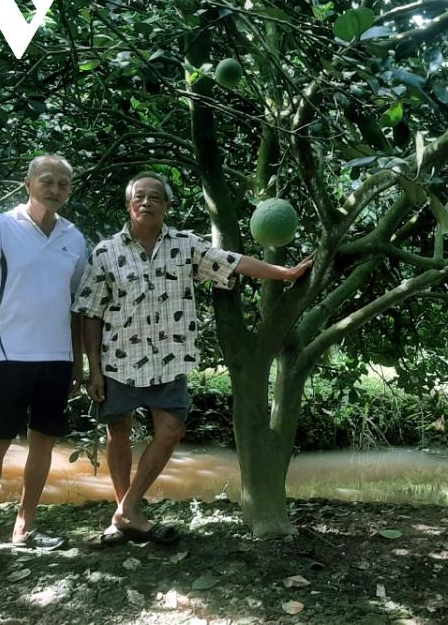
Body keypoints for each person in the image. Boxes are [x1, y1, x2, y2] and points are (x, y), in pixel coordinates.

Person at [73, 172, 311, 543]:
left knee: (171, 431)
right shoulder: (106, 252)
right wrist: (94, 369)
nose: (147, 202)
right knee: (117, 433)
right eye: (139, 197)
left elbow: (232, 261)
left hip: (169, 360)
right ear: (128, 205)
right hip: (118, 359)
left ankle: (125, 512)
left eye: (155, 197)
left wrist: (285, 273)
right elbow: (91, 312)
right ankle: (130, 513)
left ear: (167, 206)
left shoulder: (184, 246)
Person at [0, 154, 88, 565]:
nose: (54, 189)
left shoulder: (74, 237)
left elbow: (75, 304)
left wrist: (78, 361)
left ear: (68, 191)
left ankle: (26, 526)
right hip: (7, 355)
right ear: (29, 184)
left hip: (56, 358)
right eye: (47, 181)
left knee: (43, 446)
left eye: (63, 184)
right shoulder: (0, 227)